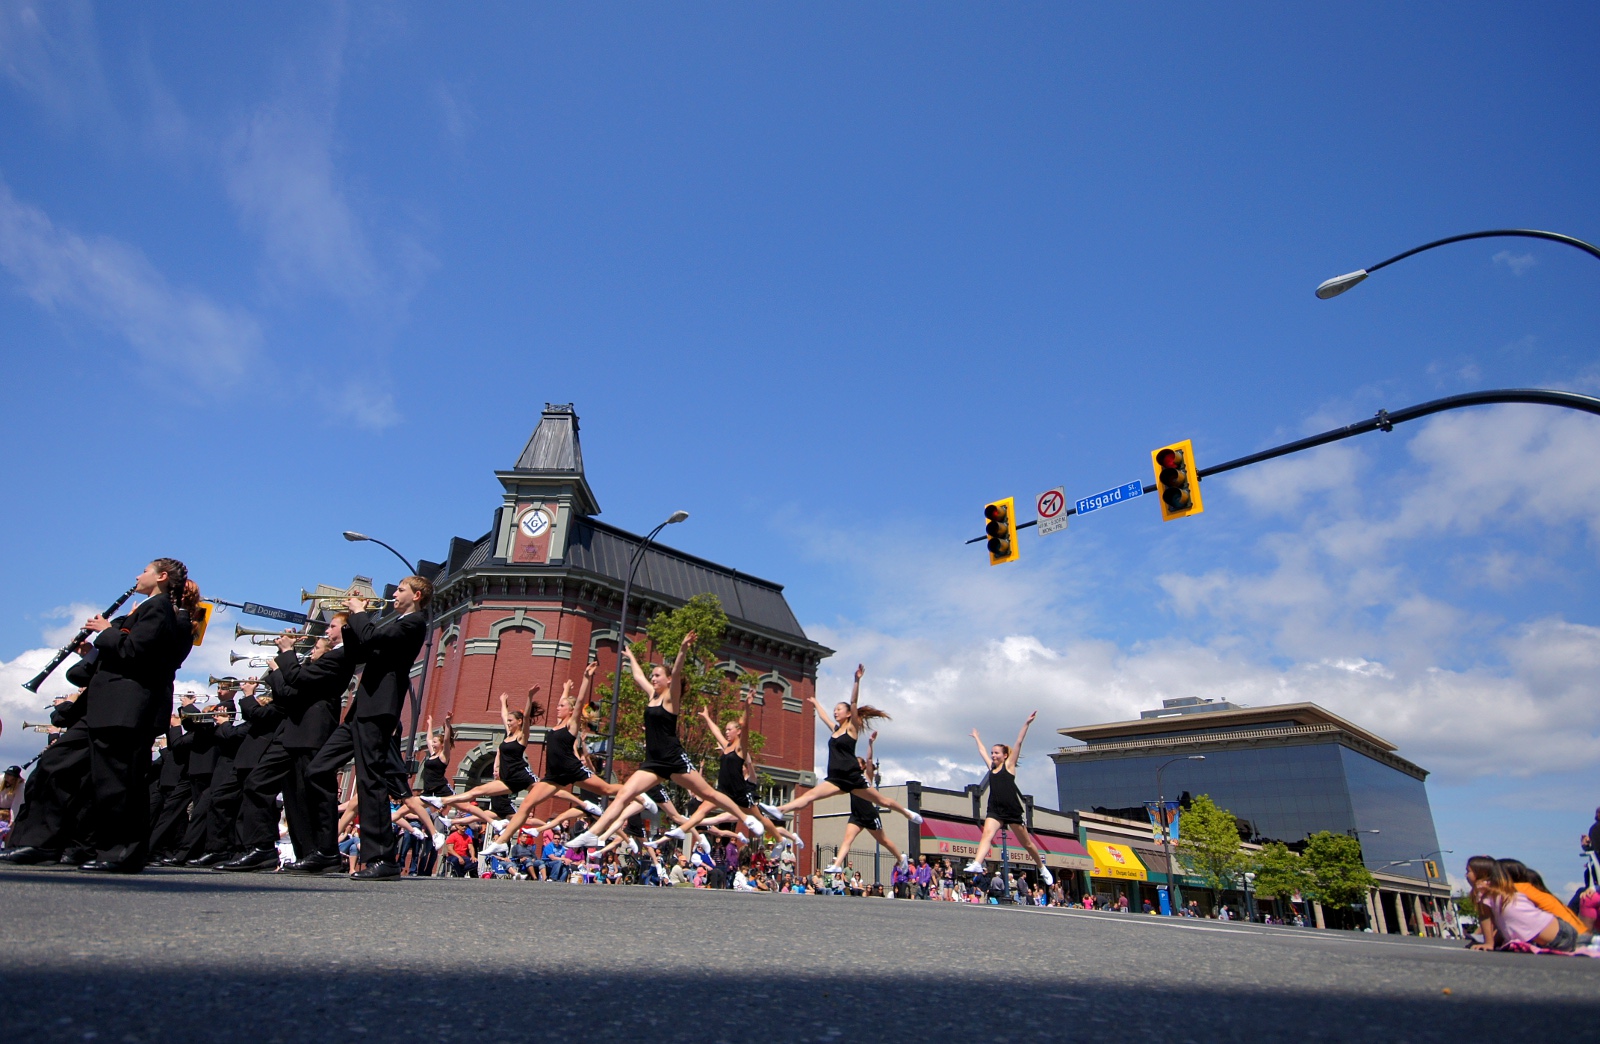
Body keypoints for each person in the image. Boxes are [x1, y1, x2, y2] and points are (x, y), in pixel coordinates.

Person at [565, 632, 765, 850]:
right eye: (653, 675)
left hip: (673, 758)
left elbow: (677, 671)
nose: (653, 678)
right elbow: (638, 677)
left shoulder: (671, 699)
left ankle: (746, 818)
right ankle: (593, 834)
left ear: (668, 680)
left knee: (708, 793)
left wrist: (683, 648)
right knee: (624, 793)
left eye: (657, 675)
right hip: (653, 762)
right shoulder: (652, 696)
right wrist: (631, 658)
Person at [74, 560, 197, 872]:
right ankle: (115, 850)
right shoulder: (154, 607)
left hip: (126, 709)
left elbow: (133, 651)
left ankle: (121, 852)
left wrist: (106, 631)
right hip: (119, 708)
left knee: (119, 783)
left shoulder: (157, 607)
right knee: (113, 782)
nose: (137, 576)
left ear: (162, 576)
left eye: (144, 570)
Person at [306, 576, 431, 880]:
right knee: (317, 770)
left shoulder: (414, 623)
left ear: (416, 596)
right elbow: (358, 654)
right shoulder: (394, 623)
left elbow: (373, 639)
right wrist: (350, 622)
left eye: (400, 589)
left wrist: (360, 612)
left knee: (370, 779)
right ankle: (325, 851)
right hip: (361, 709)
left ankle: (382, 858)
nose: (395, 594)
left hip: (379, 708)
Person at [229, 621, 356, 873]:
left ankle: (317, 853)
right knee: (261, 784)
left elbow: (293, 685)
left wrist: (285, 657)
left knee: (305, 796)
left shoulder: (340, 656)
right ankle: (263, 848)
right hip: (292, 732)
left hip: (311, 732)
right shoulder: (317, 662)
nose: (326, 631)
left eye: (331, 626)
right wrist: (283, 657)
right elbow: (289, 689)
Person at [776, 664, 923, 830]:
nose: (835, 712)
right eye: (834, 710)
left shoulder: (852, 729)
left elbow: (853, 702)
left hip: (852, 777)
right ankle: (780, 810)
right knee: (810, 795)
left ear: (848, 714)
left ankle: (907, 813)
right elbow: (823, 717)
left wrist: (856, 680)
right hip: (836, 779)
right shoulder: (835, 730)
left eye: (839, 709)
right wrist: (815, 702)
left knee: (883, 801)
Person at [430, 686, 546, 826]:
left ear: (519, 722)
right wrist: (502, 702)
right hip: (507, 780)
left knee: (552, 791)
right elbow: (504, 715)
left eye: (511, 721)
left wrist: (530, 696)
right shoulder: (508, 734)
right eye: (508, 721)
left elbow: (526, 716)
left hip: (521, 776)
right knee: (477, 790)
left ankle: (554, 824)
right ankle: (443, 802)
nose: (508, 723)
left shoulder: (522, 736)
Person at [960, 712, 1052, 886]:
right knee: (987, 834)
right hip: (995, 809)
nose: (993, 755)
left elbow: (1019, 742)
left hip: (1012, 810)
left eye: (996, 753)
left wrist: (1026, 724)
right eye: (992, 753)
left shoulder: (1009, 766)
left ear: (1004, 756)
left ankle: (1041, 867)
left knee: (1027, 844)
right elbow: (981, 751)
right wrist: (977, 738)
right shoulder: (991, 768)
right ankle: (978, 862)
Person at [822, 730, 908, 875]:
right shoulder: (851, 778)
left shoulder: (866, 777)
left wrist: (870, 743)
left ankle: (901, 858)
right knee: (847, 839)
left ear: (861, 767)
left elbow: (869, 760)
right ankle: (837, 865)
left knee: (883, 841)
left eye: (857, 763)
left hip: (869, 815)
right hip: (856, 815)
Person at [1466, 855, 1580, 952]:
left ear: (1480, 873)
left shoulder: (1483, 890)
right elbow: (1506, 923)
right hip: (1559, 931)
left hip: (1558, 936)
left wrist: (1488, 943)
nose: (1466, 875)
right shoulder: (1500, 890)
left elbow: (1485, 918)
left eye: (1468, 871)